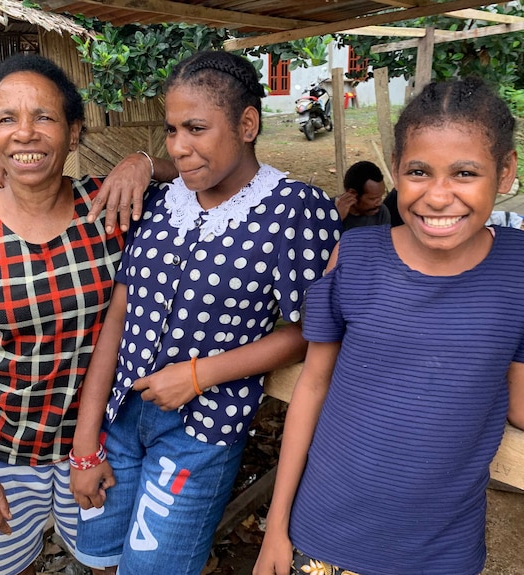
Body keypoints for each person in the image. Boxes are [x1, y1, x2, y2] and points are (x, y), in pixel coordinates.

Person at [253, 77, 524, 575]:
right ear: (396, 170)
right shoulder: (355, 259)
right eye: (419, 172)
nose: (439, 197)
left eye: (465, 172)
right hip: (323, 538)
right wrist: (277, 525)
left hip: (440, 554)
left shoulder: (522, 271)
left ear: (505, 172)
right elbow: (313, 384)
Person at [69, 50, 341, 575]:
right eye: (171, 131)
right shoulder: (161, 200)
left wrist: (198, 374)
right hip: (120, 418)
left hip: (200, 431)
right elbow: (119, 319)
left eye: (195, 128)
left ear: (246, 123)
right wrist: (86, 443)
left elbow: (310, 332)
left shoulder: (295, 209)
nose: (179, 147)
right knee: (99, 557)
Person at [0, 54, 127, 575]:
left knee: (110, 566)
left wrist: (143, 161)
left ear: (74, 132)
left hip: (98, 447)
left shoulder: (110, 209)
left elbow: (199, 167)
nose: (25, 134)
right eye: (7, 118)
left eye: (45, 117)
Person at [334, 160, 390, 231]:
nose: (379, 203)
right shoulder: (326, 210)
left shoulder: (381, 213)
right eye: (372, 199)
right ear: (352, 193)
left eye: (380, 197)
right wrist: (336, 219)